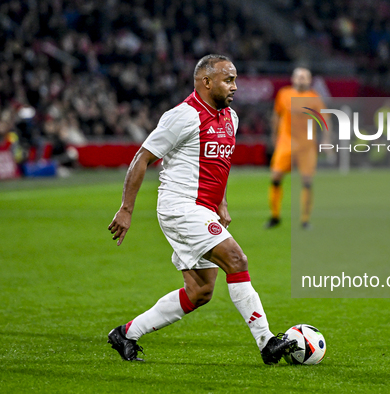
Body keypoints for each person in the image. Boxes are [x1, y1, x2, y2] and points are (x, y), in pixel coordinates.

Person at [107, 54, 297, 364]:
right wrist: (126, 209)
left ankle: (126, 334)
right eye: (228, 80)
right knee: (237, 259)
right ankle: (267, 343)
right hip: (180, 206)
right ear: (206, 82)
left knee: (200, 291)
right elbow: (142, 157)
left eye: (234, 79)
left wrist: (220, 203)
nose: (235, 86)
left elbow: (217, 165)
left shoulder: (230, 118)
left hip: (203, 209)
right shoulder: (182, 116)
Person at [266, 67, 329, 229]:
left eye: (305, 77)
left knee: (307, 181)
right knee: (275, 177)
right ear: (293, 79)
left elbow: (325, 120)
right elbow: (276, 115)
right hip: (286, 142)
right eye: (299, 77)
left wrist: (327, 139)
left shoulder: (314, 97)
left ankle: (305, 220)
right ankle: (275, 216)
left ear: (309, 80)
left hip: (307, 145)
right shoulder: (284, 94)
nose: (301, 80)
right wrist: (274, 136)